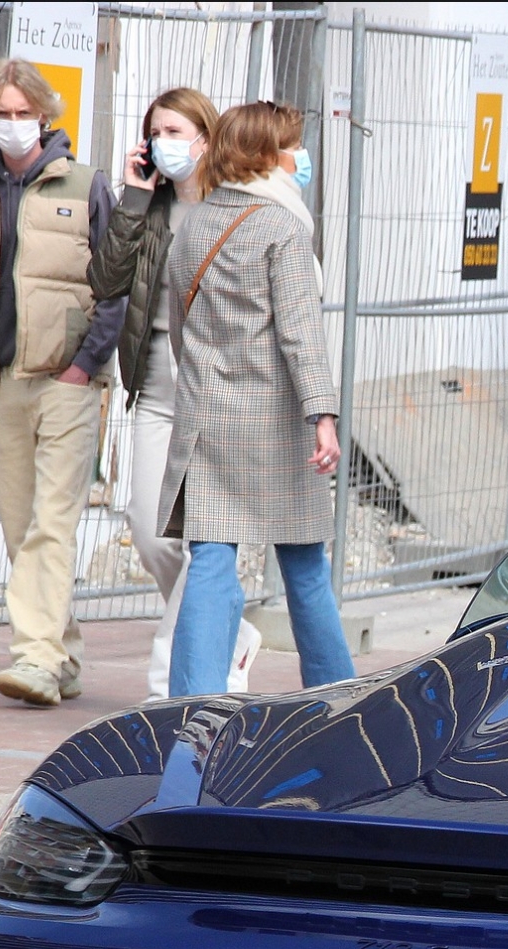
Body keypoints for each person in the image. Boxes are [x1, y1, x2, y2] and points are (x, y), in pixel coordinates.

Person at [0, 59, 124, 708]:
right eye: (1, 113)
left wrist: (87, 362)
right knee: (21, 529)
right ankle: (64, 655)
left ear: (45, 116)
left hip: (67, 382)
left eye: (24, 113)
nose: (13, 125)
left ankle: (36, 660)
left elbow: (117, 281)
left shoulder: (86, 184)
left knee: (52, 521)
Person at [159, 101, 355, 698]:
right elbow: (301, 334)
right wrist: (322, 415)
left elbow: (178, 323)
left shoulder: (194, 221)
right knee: (303, 568)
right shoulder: (283, 227)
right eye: (292, 146)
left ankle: (190, 704)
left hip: (208, 419)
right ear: (268, 154)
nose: (300, 157)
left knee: (211, 561)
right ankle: (337, 701)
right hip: (276, 426)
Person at [85, 86, 258, 700]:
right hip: (155, 388)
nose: (165, 143)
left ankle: (171, 675)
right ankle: (226, 636)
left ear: (207, 139)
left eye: (177, 132)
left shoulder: (232, 208)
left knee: (203, 535)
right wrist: (134, 195)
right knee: (150, 529)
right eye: (156, 132)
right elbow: (104, 279)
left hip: (213, 393)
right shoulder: (149, 208)